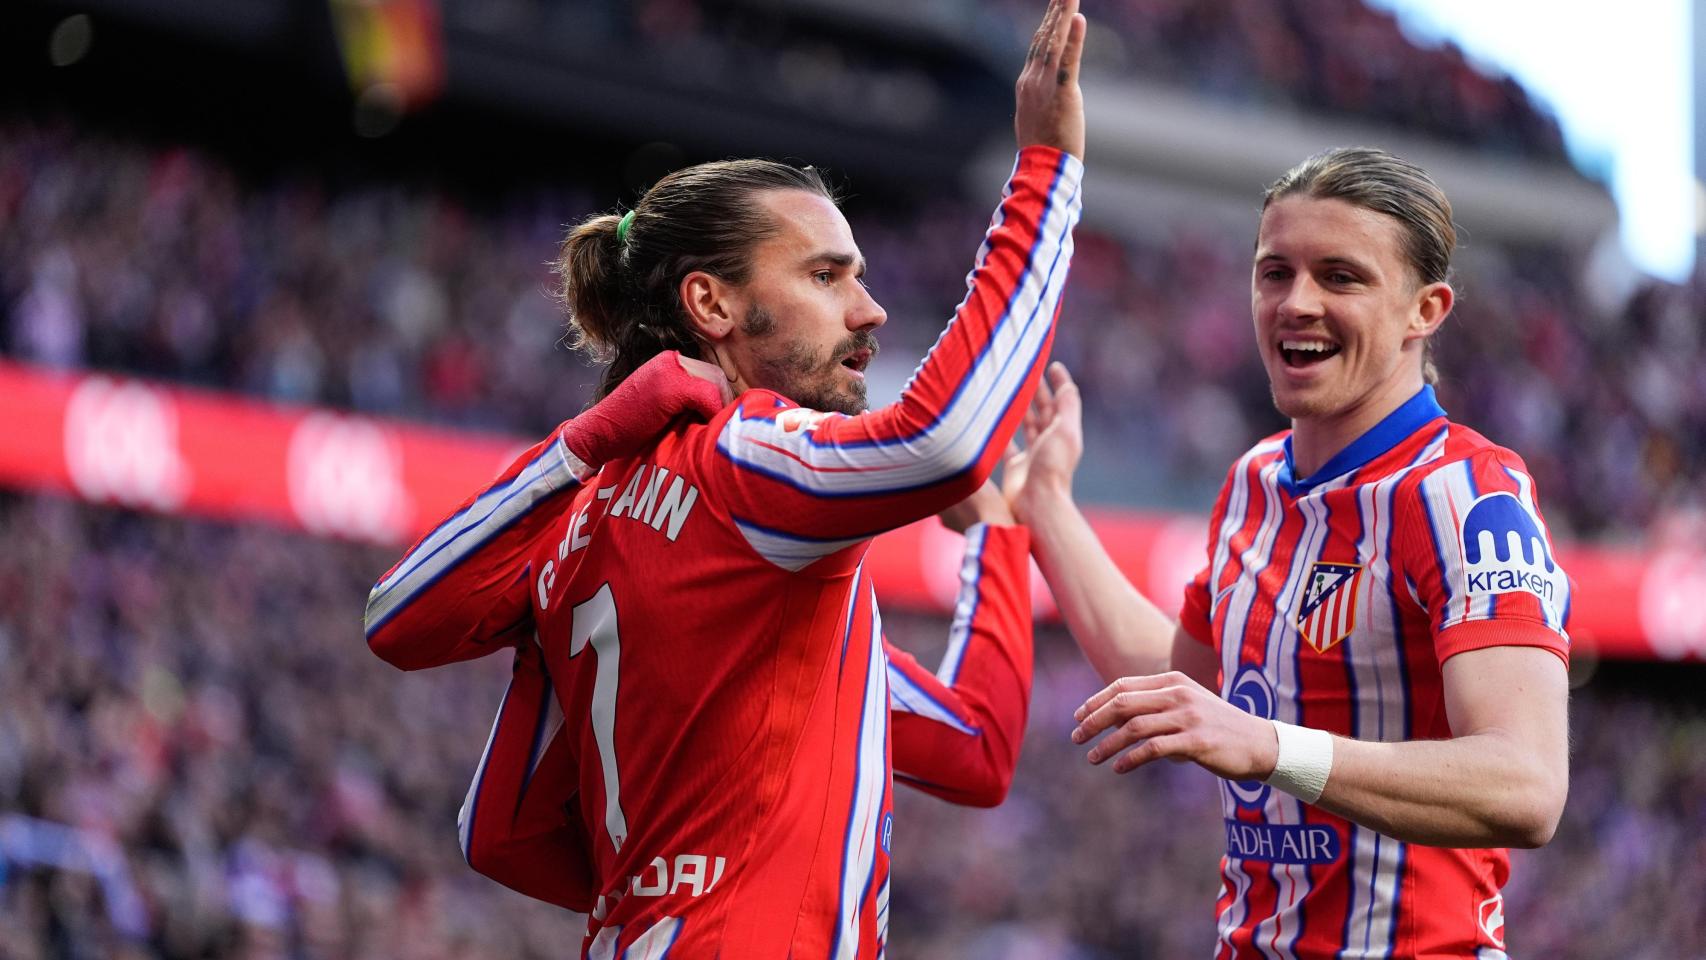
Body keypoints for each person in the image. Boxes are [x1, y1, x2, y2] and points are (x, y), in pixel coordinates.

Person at [363, 0, 1086, 954]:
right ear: (711, 303)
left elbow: (491, 826)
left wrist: (998, 529)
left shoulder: (600, 521)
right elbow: (943, 440)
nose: (870, 310)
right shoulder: (743, 459)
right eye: (829, 277)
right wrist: (1047, 173)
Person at [1007, 148, 1570, 958]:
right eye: (1275, 273)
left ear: (1427, 310)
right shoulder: (1255, 478)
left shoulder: (1466, 494)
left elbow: (1528, 787)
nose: (1296, 302)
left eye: (1341, 277)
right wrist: (1047, 505)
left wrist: (1271, 748)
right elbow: (1190, 684)